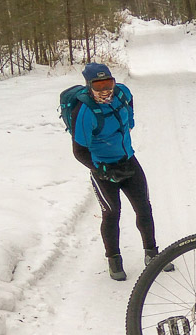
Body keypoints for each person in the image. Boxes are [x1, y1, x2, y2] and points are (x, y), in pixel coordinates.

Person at [70, 62, 170, 281]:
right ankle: (114, 260)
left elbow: (129, 113)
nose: (105, 90)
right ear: (89, 86)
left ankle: (152, 254)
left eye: (109, 83)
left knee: (143, 206)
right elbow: (78, 151)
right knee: (112, 212)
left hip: (127, 160)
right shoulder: (85, 111)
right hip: (102, 168)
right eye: (99, 86)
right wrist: (101, 170)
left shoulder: (123, 94)